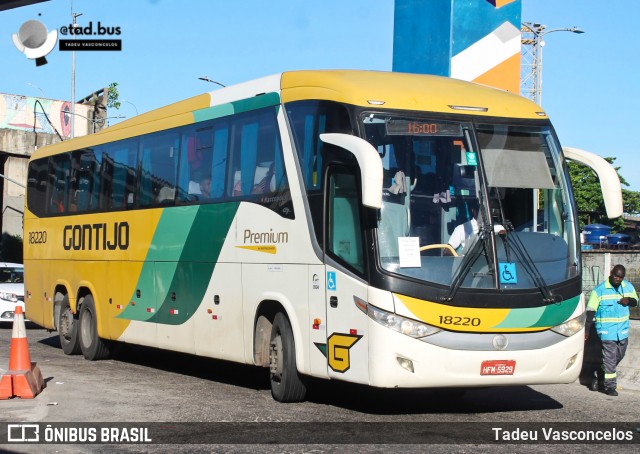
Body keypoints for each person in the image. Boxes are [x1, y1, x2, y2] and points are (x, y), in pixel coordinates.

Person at [585, 264, 638, 396]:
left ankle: (600, 373)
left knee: (619, 355)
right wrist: (586, 330)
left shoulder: (628, 287)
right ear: (611, 273)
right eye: (615, 276)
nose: (618, 279)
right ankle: (609, 386)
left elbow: (636, 302)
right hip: (606, 331)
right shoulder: (599, 290)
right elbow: (590, 311)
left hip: (622, 330)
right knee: (610, 358)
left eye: (620, 277)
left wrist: (629, 300)